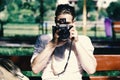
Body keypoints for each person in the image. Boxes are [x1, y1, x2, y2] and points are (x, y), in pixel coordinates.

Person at [31, 4, 97, 80]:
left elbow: (91, 70)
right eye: (61, 23)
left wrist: (77, 42)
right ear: (55, 21)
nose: (63, 27)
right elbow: (35, 69)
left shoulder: (83, 40)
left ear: (73, 22)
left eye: (67, 24)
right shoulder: (44, 39)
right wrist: (52, 45)